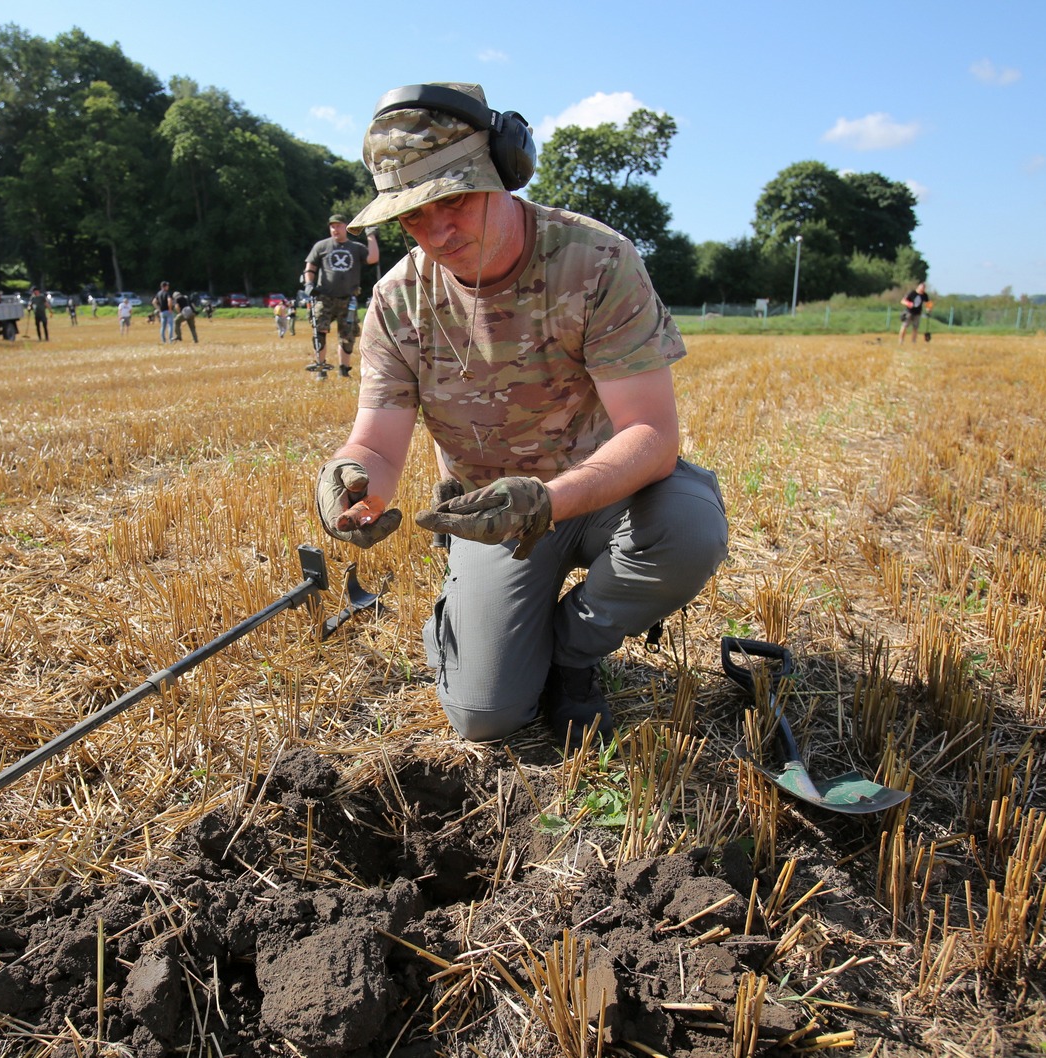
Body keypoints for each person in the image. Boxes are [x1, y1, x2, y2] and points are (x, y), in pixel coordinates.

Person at [314, 82, 729, 746]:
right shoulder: (398, 301)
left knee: (687, 527)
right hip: (493, 516)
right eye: (412, 216)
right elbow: (379, 443)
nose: (436, 231)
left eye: (451, 200)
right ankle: (481, 626)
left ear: (506, 171)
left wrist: (546, 501)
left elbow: (652, 436)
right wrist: (347, 485)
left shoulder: (594, 261)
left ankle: (572, 656)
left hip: (606, 489)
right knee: (487, 715)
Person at [303, 214, 380, 376]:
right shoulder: (321, 246)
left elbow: (373, 258)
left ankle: (344, 370)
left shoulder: (356, 248)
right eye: (332, 226)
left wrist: (371, 235)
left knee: (348, 336)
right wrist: (309, 284)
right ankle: (321, 368)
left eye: (338, 226)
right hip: (324, 298)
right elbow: (310, 267)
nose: (335, 229)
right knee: (319, 332)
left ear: (346, 227)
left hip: (348, 299)